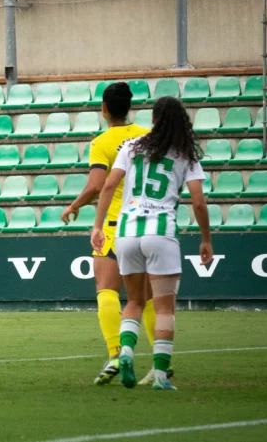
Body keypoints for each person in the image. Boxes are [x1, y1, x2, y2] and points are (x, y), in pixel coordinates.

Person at [91, 96, 213, 391]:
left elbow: (108, 185)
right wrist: (206, 239)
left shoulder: (131, 147)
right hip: (161, 231)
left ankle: (126, 353)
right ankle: (160, 374)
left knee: (133, 301)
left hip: (126, 231)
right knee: (164, 308)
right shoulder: (185, 153)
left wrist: (97, 225)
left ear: (154, 120)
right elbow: (198, 201)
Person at [61, 82, 161, 386]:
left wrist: (74, 205)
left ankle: (116, 353)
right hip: (149, 222)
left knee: (107, 289)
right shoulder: (149, 135)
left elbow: (97, 185)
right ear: (129, 107)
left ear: (104, 109)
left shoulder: (102, 142)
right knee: (148, 297)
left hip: (115, 226)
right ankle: (161, 363)